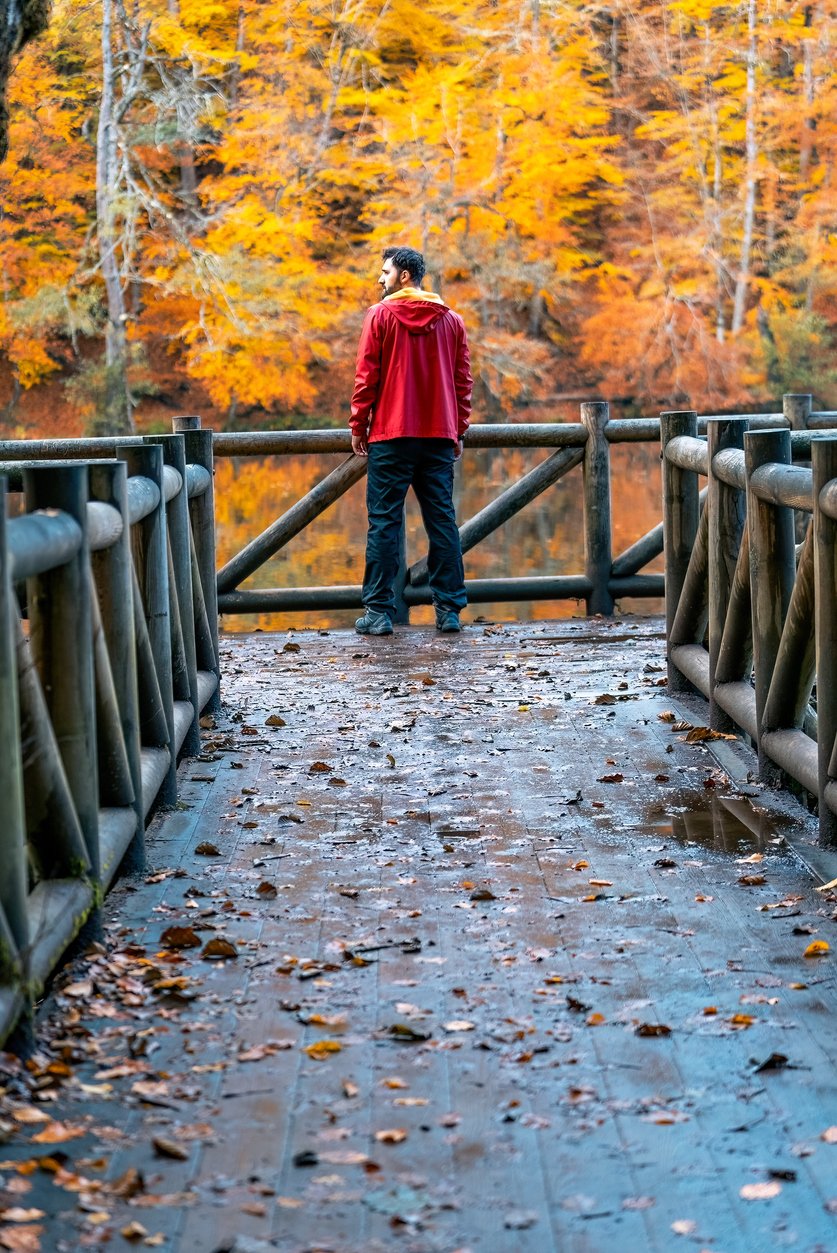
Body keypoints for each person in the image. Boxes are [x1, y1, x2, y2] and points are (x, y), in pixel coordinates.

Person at [350, 246, 473, 636]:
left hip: (391, 435)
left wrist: (358, 425)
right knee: (442, 522)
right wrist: (459, 427)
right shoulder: (452, 320)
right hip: (438, 436)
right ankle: (449, 610)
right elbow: (462, 382)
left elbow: (366, 376)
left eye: (385, 272)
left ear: (404, 276)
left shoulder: (380, 315)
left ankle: (379, 612)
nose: (380, 279)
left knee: (384, 523)